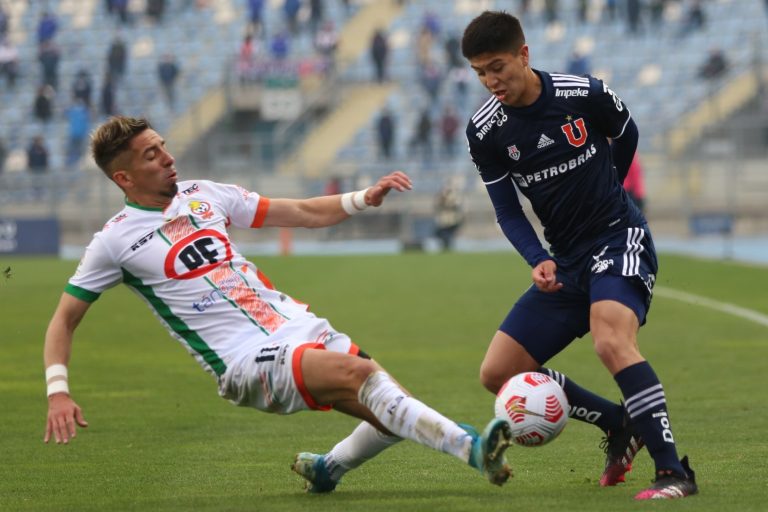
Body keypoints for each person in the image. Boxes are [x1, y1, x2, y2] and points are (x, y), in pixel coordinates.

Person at [42, 116, 513, 494]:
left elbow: (302, 212)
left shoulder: (204, 194)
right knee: (363, 378)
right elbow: (65, 319)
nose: (169, 158)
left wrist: (361, 199)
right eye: (152, 155)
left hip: (294, 324)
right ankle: (471, 447)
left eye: (163, 145)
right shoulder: (113, 241)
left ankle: (328, 469)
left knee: (394, 411)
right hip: (243, 359)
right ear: (123, 176)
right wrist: (58, 390)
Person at [460, 11, 697, 500]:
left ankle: (674, 472)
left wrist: (609, 190)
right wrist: (536, 256)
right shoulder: (485, 131)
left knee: (611, 340)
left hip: (617, 237)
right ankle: (618, 421)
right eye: (480, 72)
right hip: (565, 261)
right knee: (497, 374)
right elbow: (506, 210)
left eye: (498, 66)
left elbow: (626, 134)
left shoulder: (583, 93)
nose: (491, 81)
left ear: (524, 55)